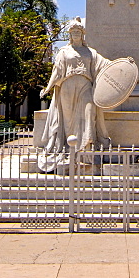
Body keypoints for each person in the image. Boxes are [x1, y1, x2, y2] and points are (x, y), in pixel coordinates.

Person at [37, 17, 111, 172]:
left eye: (78, 31)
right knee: (69, 121)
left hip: (86, 86)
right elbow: (56, 72)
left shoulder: (91, 52)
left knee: (89, 115)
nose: (76, 33)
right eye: (73, 32)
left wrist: (124, 65)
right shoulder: (64, 52)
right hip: (67, 87)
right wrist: (48, 88)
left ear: (83, 34)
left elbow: (106, 65)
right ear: (70, 35)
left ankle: (86, 150)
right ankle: (69, 151)